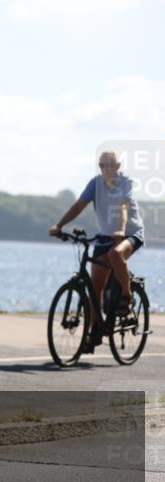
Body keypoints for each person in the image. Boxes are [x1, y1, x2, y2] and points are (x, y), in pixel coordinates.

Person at [49, 151, 145, 352]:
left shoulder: (125, 182)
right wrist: (59, 225)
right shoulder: (95, 184)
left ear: (117, 166)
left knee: (115, 254)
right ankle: (95, 333)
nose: (105, 168)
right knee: (95, 288)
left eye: (109, 164)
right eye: (102, 165)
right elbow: (78, 206)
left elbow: (124, 208)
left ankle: (126, 296)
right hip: (105, 235)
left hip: (130, 233)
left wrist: (120, 229)